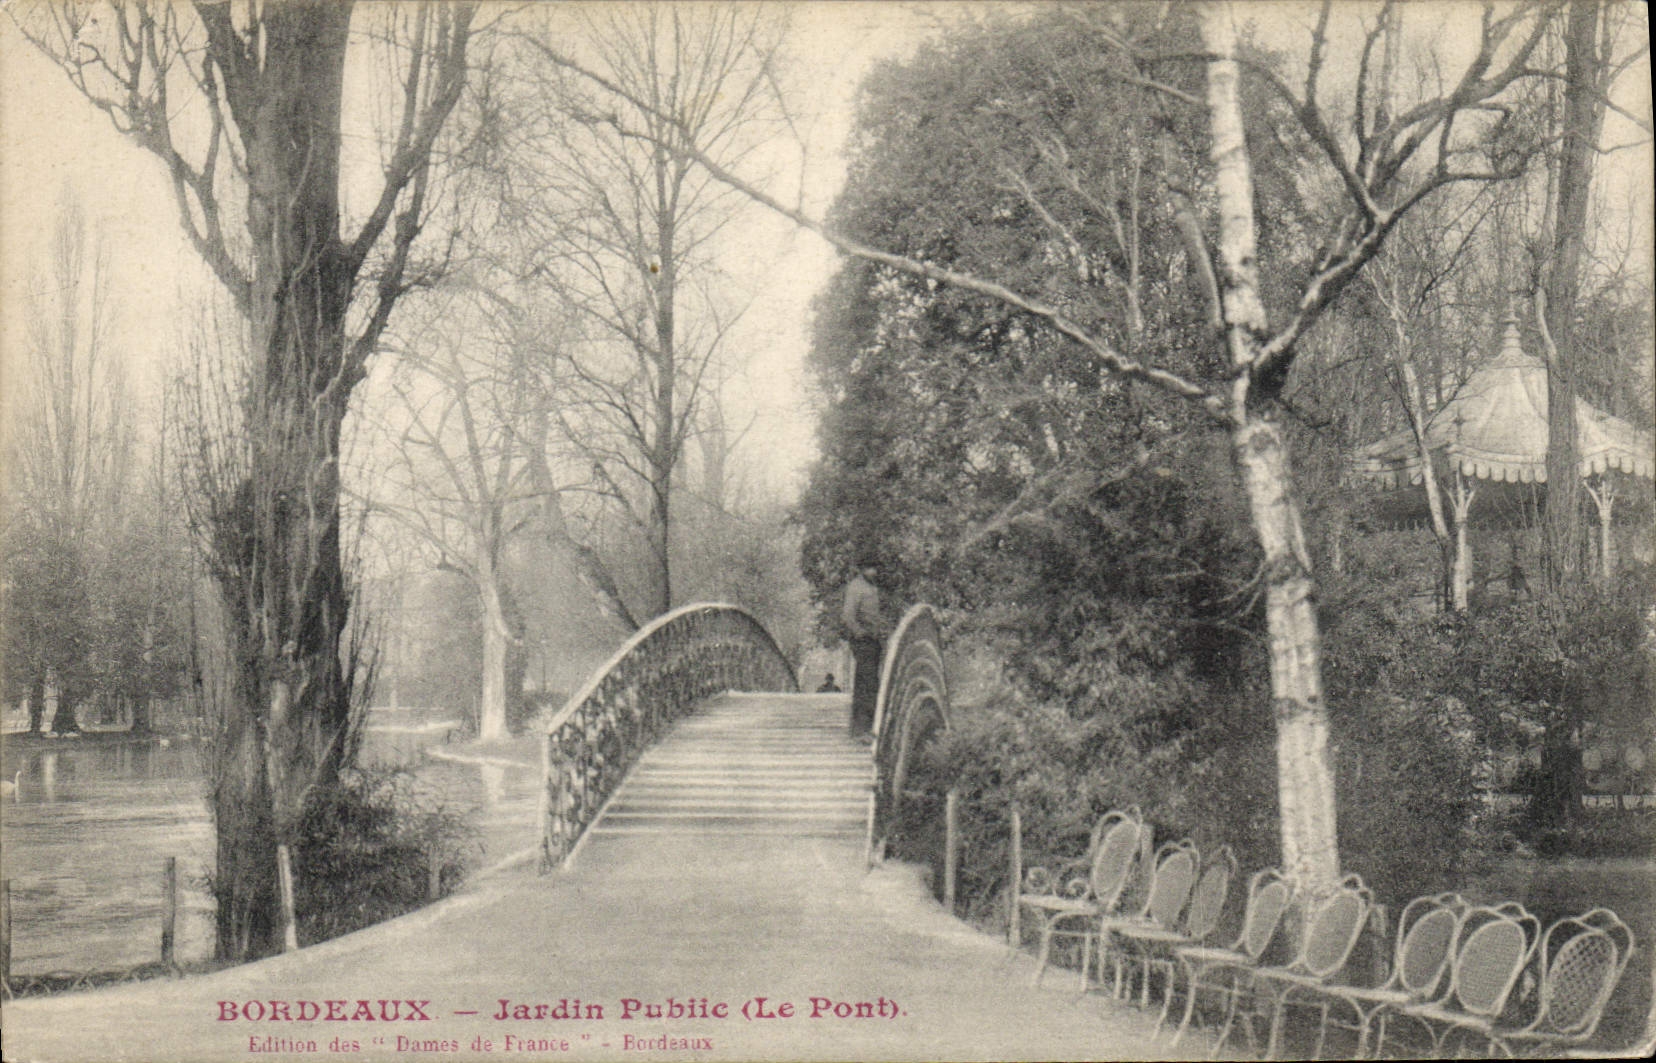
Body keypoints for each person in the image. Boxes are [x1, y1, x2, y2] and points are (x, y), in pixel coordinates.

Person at [841, 561, 884, 738]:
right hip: (864, 641)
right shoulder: (856, 587)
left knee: (868, 682)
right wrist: (860, 634)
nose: (874, 571)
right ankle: (863, 729)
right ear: (862, 569)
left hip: (873, 640)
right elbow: (848, 616)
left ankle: (862, 728)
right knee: (867, 684)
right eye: (870, 568)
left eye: (875, 568)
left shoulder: (871, 586)